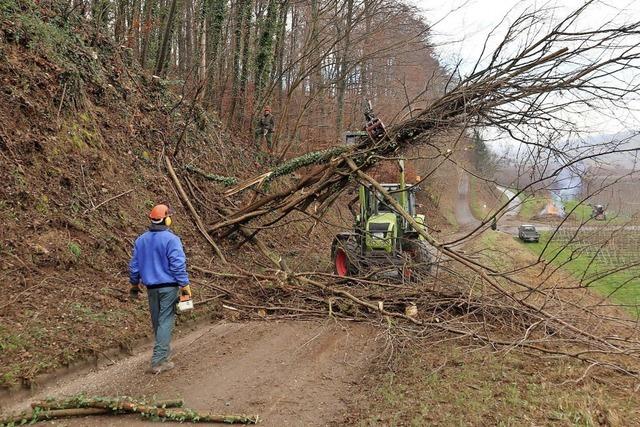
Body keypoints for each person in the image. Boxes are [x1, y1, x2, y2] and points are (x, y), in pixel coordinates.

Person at [129, 204, 191, 374]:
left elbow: (134, 266)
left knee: (158, 322)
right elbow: (178, 265)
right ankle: (159, 361)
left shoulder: (141, 240)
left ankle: (163, 355)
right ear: (167, 219)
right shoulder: (171, 240)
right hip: (168, 287)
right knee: (165, 321)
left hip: (151, 288)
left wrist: (134, 284)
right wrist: (185, 286)